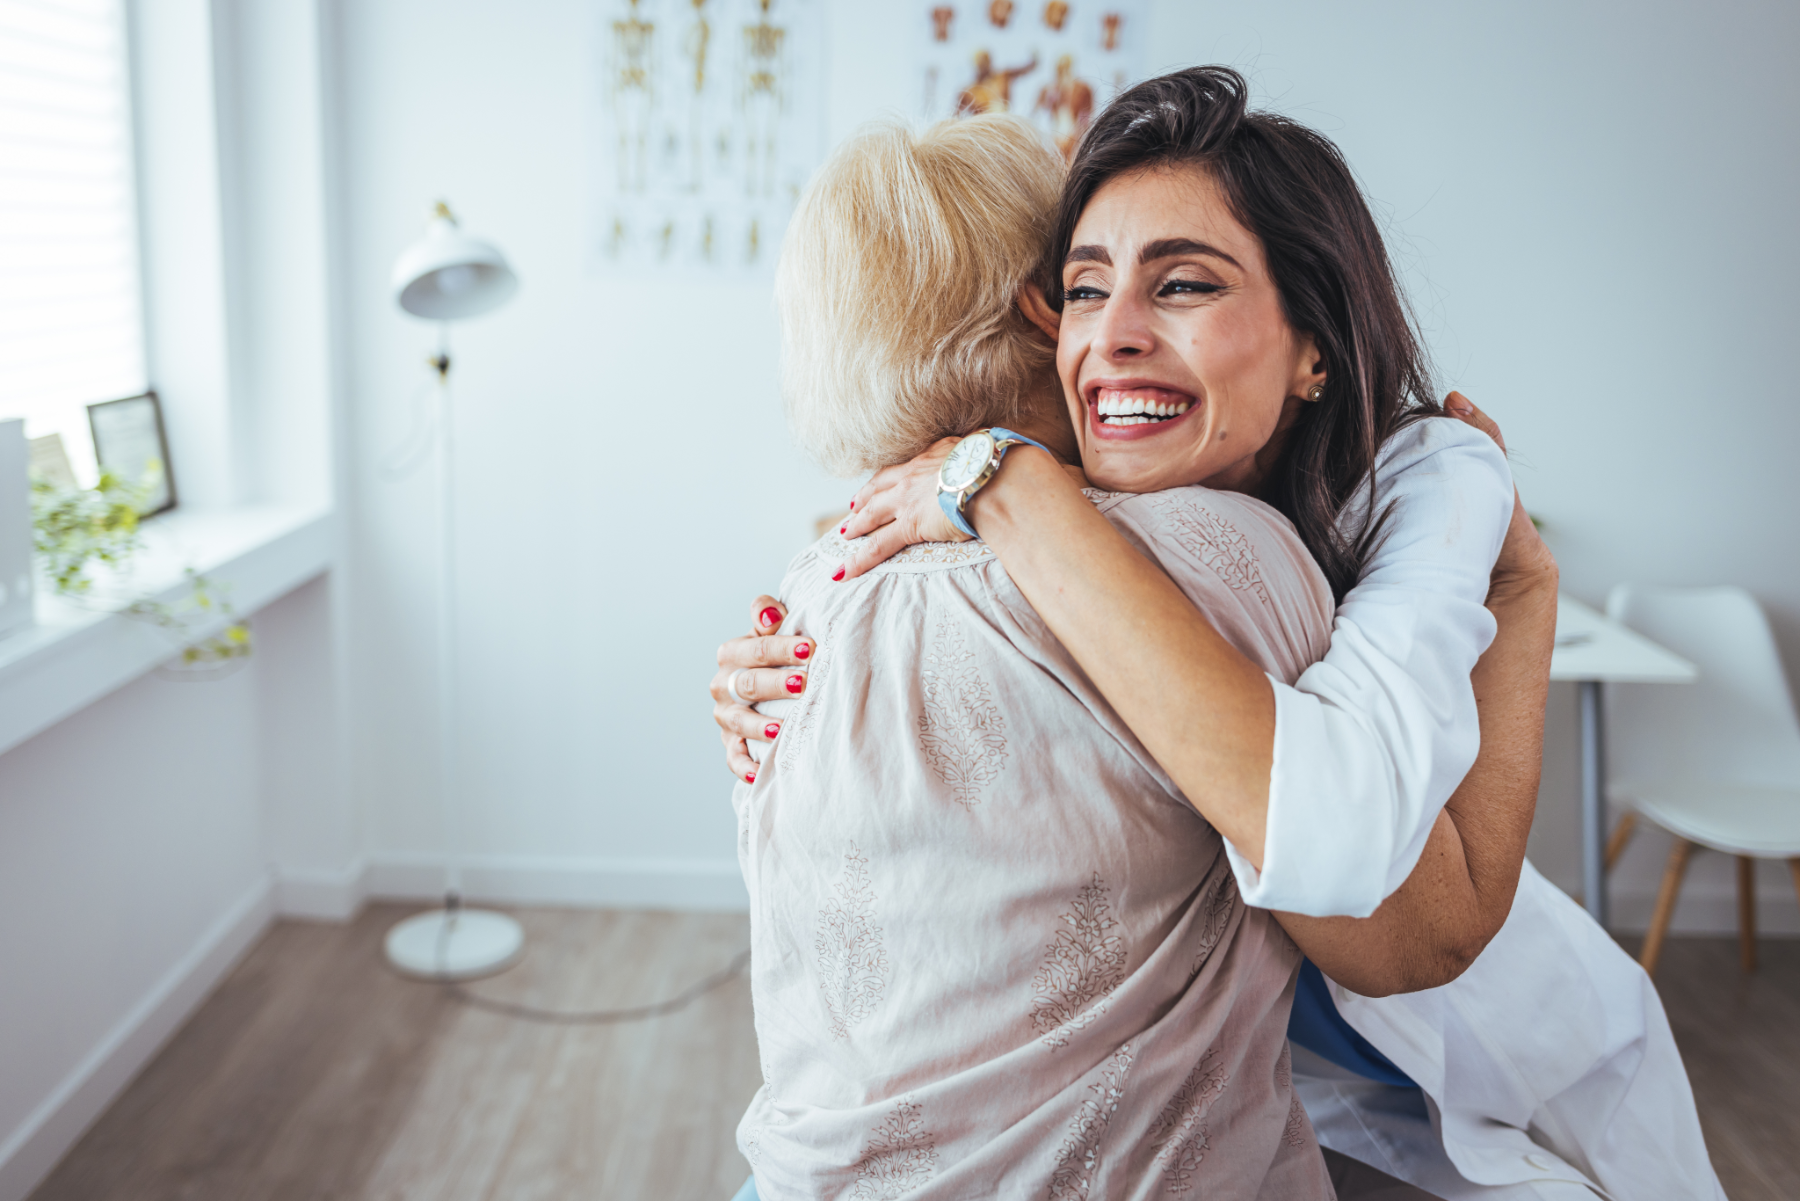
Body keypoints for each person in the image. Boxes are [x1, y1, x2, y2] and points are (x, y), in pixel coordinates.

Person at [714, 68, 1723, 1199]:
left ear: (1316, 346)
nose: (1113, 335)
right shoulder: (1173, 552)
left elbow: (1408, 935)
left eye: (1183, 284)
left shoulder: (1363, 508)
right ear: (1036, 321)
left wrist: (1004, 483)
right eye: (1082, 290)